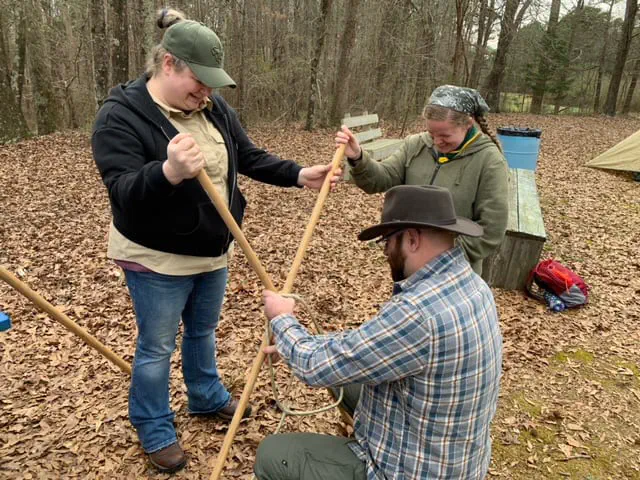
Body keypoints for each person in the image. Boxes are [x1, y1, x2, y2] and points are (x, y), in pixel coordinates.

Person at [91, 8, 340, 473]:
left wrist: (298, 174)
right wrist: (166, 172)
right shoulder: (120, 117)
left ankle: (205, 396)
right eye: (198, 81)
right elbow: (123, 193)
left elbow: (246, 155)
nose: (206, 92)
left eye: (211, 84)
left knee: (203, 331)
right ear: (168, 65)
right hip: (157, 259)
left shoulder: (210, 107)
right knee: (156, 347)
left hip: (213, 250)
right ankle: (154, 423)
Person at [254, 185, 503, 480]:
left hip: (415, 471)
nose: (384, 251)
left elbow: (315, 368)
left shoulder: (418, 311)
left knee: (273, 456)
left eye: (387, 241)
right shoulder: (472, 284)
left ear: (411, 239)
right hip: (454, 458)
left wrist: (283, 319)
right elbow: (363, 348)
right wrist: (294, 343)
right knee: (343, 378)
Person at [336, 85, 509, 274]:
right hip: (408, 265)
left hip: (454, 272)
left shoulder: (489, 161)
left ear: (468, 124)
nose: (436, 142)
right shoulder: (415, 145)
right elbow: (381, 178)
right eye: (431, 133)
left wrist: (440, 258)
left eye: (445, 135)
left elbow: (491, 230)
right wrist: (358, 157)